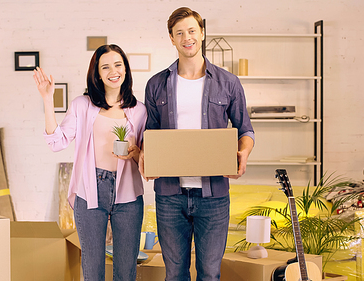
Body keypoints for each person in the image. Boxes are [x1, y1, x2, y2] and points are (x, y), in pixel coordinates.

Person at [138, 7, 255, 281]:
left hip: (213, 197)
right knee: (175, 274)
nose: (186, 37)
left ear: (201, 33)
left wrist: (243, 154)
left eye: (192, 31)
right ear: (171, 38)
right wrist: (146, 155)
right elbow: (150, 133)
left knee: (210, 275)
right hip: (169, 195)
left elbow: (245, 130)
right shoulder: (156, 84)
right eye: (179, 33)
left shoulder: (228, 82)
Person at [34, 44, 147, 281]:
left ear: (125, 69)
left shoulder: (139, 111)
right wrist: (47, 99)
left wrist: (136, 153)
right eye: (105, 67)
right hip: (90, 190)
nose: (112, 71)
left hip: (128, 194)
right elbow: (57, 142)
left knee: (126, 272)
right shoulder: (82, 105)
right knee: (92, 271)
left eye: (118, 64)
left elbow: (148, 160)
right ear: (97, 74)